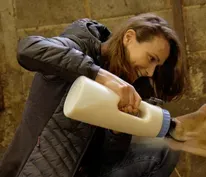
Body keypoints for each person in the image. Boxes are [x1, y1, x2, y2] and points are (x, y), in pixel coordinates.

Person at [0, 13, 188, 177]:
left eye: (157, 66)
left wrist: (119, 128)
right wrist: (100, 76)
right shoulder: (79, 45)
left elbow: (107, 160)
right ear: (128, 37)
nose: (150, 72)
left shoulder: (126, 87)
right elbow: (27, 48)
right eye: (151, 59)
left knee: (165, 149)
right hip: (39, 171)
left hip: (86, 172)